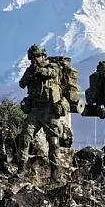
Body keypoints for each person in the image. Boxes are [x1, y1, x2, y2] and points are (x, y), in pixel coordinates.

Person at [16, 44, 66, 180]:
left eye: (37, 56)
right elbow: (21, 84)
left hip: (49, 110)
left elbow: (50, 73)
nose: (35, 59)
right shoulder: (30, 70)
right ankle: (21, 167)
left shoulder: (52, 67)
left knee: (53, 141)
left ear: (44, 56)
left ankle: (55, 171)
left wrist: (37, 71)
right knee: (25, 136)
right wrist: (30, 74)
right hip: (35, 110)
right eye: (32, 57)